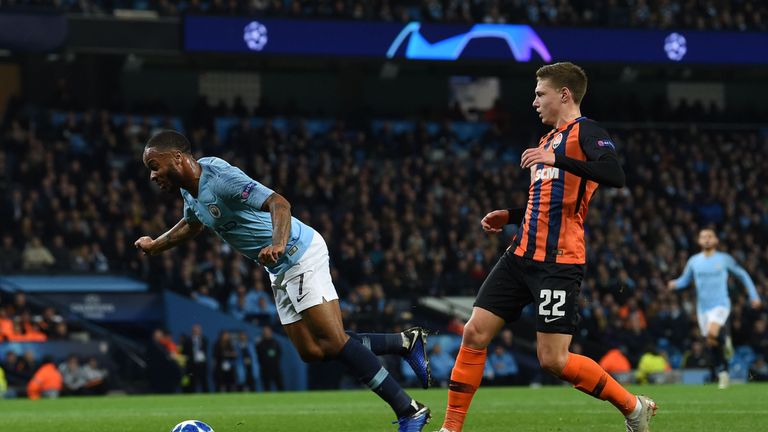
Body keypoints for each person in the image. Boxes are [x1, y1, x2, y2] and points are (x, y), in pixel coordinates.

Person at [134, 130, 431, 431]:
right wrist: (156, 244)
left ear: (177, 158)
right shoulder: (189, 189)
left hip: (298, 252)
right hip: (278, 268)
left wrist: (278, 242)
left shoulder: (220, 178)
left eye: (154, 166)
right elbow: (192, 223)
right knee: (313, 352)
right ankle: (404, 342)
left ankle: (410, 410)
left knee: (335, 342)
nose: (152, 175)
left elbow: (279, 203)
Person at [438, 62, 656, 432]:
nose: (534, 101)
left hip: (559, 263)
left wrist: (558, 159)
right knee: (474, 332)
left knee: (553, 360)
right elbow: (545, 205)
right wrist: (508, 215)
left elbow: (615, 174)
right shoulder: (545, 142)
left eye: (540, 94)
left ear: (564, 94)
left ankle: (633, 406)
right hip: (520, 255)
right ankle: (451, 428)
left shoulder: (586, 132)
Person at [667, 228, 762, 389]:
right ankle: (723, 372)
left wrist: (754, 296)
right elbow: (685, 280)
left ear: (716, 240)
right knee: (711, 342)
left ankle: (725, 339)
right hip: (703, 308)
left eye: (710, 236)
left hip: (721, 304)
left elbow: (742, 275)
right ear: (699, 241)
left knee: (713, 332)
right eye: (703, 237)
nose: (707, 239)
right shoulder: (694, 261)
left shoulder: (724, 259)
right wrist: (675, 283)